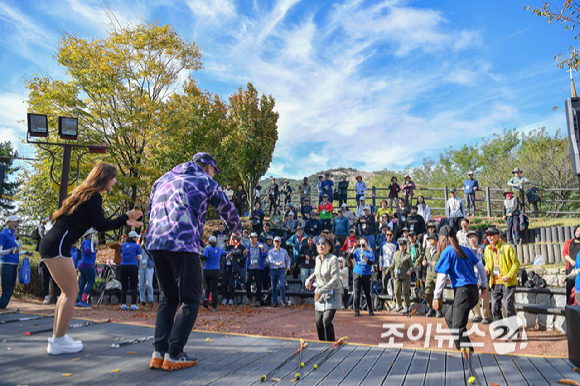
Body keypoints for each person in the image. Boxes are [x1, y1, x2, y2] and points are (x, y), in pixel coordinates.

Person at [146, 152, 240, 370]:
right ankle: (174, 353)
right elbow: (226, 207)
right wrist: (235, 230)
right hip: (182, 241)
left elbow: (151, 210)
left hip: (156, 242)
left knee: (168, 298)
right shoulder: (205, 180)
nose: (214, 174)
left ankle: (158, 352)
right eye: (214, 170)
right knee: (191, 300)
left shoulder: (161, 179)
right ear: (207, 166)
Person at [39, 163, 143, 355]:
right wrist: (124, 218)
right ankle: (59, 341)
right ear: (104, 178)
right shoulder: (94, 196)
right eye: (113, 177)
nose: (115, 181)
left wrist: (124, 220)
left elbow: (98, 224)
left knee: (65, 293)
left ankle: (57, 338)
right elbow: (101, 225)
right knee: (72, 292)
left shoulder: (84, 194)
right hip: (59, 244)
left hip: (51, 242)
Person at [431, 225, 488, 351]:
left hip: (463, 292)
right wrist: (483, 285)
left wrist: (436, 296)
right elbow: (481, 267)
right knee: (449, 317)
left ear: (442, 239)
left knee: (458, 325)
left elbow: (441, 276)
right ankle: (462, 348)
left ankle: (469, 353)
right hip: (473, 291)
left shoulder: (448, 252)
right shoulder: (465, 250)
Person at [483, 227, 520, 339]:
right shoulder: (487, 249)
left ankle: (514, 331)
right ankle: (501, 329)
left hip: (507, 282)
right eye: (488, 235)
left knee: (508, 305)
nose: (490, 237)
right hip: (494, 282)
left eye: (492, 234)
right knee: (494, 307)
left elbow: (516, 264)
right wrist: (487, 269)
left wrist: (509, 276)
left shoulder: (507, 248)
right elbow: (488, 263)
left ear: (498, 236)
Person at [306, 236, 342, 341]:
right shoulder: (317, 259)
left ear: (329, 247)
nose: (320, 246)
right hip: (320, 293)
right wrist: (308, 279)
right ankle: (322, 344)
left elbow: (335, 278)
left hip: (333, 293)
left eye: (323, 244)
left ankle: (331, 345)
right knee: (318, 322)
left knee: (326, 320)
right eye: (318, 244)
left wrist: (321, 291)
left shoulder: (333, 259)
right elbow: (316, 273)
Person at [467, 231, 490, 324]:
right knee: (474, 296)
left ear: (477, 238)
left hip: (482, 277)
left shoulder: (483, 248)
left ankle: (485, 316)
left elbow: (487, 262)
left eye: (473, 237)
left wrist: (481, 254)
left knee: (484, 297)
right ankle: (477, 315)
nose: (472, 239)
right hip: (472, 277)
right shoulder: (467, 250)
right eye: (470, 238)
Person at [386, 239, 413, 313]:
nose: (402, 246)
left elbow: (411, 266)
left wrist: (409, 271)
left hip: (405, 276)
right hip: (397, 276)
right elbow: (393, 264)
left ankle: (407, 306)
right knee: (396, 291)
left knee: (405, 292)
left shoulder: (408, 256)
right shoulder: (396, 254)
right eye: (400, 245)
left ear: (405, 246)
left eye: (403, 245)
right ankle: (399, 305)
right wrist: (388, 269)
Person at [0, 216, 21, 310]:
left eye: (18, 222)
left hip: (13, 265)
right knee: (7, 291)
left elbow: (15, 251)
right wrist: (10, 250)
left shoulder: (12, 236)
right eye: (14, 222)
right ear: (7, 223)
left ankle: (2, 308)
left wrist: (25, 253)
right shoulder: (3, 235)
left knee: (10, 291)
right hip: (6, 265)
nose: (17, 224)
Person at [202, 236, 227, 312]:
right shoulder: (219, 249)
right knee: (214, 289)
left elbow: (204, 257)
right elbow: (225, 253)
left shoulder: (207, 249)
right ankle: (214, 306)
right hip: (215, 270)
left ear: (209, 242)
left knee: (208, 285)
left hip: (206, 270)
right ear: (216, 242)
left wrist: (200, 255)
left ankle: (206, 298)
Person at [352, 238, 375, 316]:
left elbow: (371, 263)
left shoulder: (370, 253)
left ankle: (370, 309)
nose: (362, 246)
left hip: (366, 274)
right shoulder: (357, 251)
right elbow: (349, 256)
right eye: (360, 245)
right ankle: (357, 310)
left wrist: (364, 257)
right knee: (357, 292)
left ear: (367, 244)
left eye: (363, 244)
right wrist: (353, 248)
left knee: (367, 292)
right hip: (357, 273)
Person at [120, 230, 142, 311]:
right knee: (134, 286)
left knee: (124, 286)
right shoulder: (136, 246)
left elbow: (121, 254)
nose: (137, 239)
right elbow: (140, 257)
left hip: (123, 266)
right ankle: (133, 304)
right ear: (133, 238)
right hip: (132, 265)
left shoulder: (123, 245)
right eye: (136, 237)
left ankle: (123, 304)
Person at [222, 235, 246, 306]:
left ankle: (231, 298)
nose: (228, 242)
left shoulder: (234, 248)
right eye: (226, 241)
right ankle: (225, 298)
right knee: (224, 284)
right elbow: (221, 253)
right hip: (224, 269)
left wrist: (230, 253)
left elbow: (238, 252)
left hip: (232, 269)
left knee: (231, 284)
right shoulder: (223, 248)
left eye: (228, 241)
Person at [76, 229, 97, 308]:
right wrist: (94, 244)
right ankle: (83, 300)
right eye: (90, 234)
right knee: (91, 282)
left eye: (93, 234)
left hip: (84, 265)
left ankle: (78, 300)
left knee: (83, 283)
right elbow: (88, 251)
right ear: (86, 235)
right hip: (87, 265)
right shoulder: (86, 242)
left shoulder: (87, 242)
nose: (92, 235)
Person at [268, 236, 291, 307]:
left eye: (278, 242)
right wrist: (278, 263)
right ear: (273, 242)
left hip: (281, 270)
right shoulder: (270, 251)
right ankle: (275, 302)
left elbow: (288, 259)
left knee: (282, 285)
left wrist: (288, 266)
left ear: (280, 243)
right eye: (275, 241)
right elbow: (271, 261)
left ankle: (283, 301)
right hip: (273, 270)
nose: (276, 243)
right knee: (273, 286)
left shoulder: (284, 251)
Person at [245, 232, 266, 307]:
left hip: (258, 268)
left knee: (258, 284)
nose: (252, 239)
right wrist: (244, 253)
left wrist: (262, 248)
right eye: (251, 238)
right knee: (247, 282)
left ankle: (258, 300)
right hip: (250, 267)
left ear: (256, 238)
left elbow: (264, 254)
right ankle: (249, 298)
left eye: (253, 237)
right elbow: (246, 256)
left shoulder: (260, 245)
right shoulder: (248, 246)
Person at [423, 233, 441, 317]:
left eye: (432, 238)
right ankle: (431, 308)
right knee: (427, 292)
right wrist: (424, 262)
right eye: (429, 239)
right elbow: (424, 258)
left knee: (439, 293)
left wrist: (437, 263)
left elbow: (443, 261)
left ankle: (438, 309)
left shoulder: (440, 249)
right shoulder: (427, 249)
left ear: (436, 240)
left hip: (437, 274)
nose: (430, 240)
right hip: (429, 274)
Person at [563, 225, 580, 305]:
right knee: (569, 289)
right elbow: (564, 253)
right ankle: (568, 308)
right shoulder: (569, 242)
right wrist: (571, 261)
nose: (578, 233)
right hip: (571, 268)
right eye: (577, 231)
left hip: (578, 270)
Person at [378, 229, 398, 294]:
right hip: (385, 264)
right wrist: (380, 264)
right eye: (387, 235)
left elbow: (398, 255)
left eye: (390, 235)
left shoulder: (396, 244)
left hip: (392, 265)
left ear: (393, 235)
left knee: (393, 279)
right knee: (384, 279)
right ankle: (384, 292)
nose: (389, 236)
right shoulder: (383, 244)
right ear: (385, 235)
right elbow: (381, 255)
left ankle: (394, 293)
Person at [138, 235, 155, 306]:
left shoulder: (151, 246)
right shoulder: (140, 247)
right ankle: (142, 300)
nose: (145, 240)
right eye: (144, 238)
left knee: (149, 284)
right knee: (141, 285)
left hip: (149, 267)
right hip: (141, 267)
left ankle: (151, 300)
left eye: (146, 238)